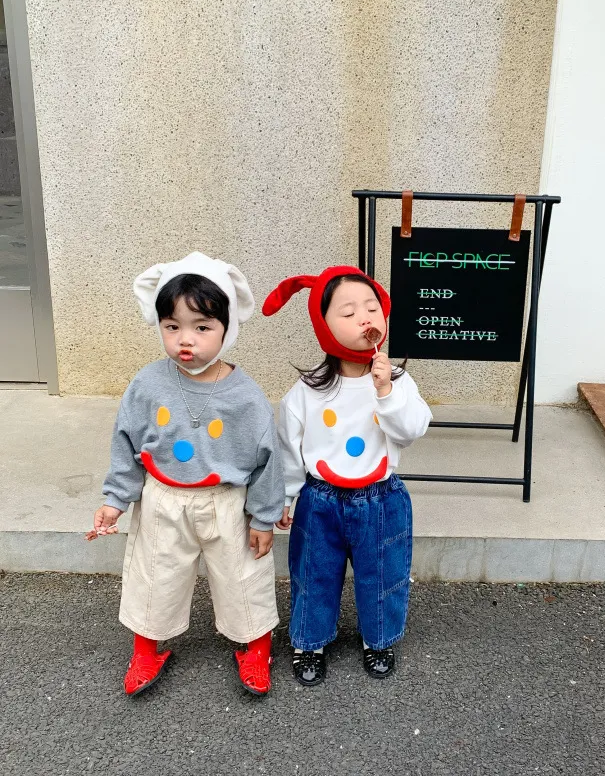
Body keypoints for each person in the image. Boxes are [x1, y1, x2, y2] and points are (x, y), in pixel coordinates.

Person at [90, 252, 284, 696]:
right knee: (153, 574)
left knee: (243, 576)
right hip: (162, 498)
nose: (186, 339)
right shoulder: (147, 384)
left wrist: (264, 518)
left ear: (227, 329)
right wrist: (115, 499)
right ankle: (146, 647)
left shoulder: (247, 396)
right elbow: (126, 443)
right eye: (172, 326)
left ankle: (255, 646)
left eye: (202, 326)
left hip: (226, 501)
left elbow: (269, 460)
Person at [263, 266, 432, 686]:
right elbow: (290, 448)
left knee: (383, 573)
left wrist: (386, 393)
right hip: (320, 500)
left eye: (372, 307)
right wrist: (286, 497)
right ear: (324, 326)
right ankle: (309, 641)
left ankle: (379, 638)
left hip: (382, 497)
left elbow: (412, 430)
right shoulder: (306, 392)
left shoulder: (397, 382)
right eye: (349, 311)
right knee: (314, 572)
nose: (364, 318)